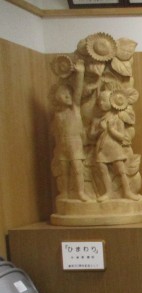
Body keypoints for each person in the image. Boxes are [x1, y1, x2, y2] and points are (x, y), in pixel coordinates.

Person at [50, 59, 90, 202]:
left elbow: (77, 90)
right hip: (62, 145)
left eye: (69, 94)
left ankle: (80, 192)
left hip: (75, 143)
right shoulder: (58, 115)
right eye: (63, 94)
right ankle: (65, 192)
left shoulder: (74, 109)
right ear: (57, 98)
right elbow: (55, 133)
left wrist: (80, 72)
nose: (68, 96)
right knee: (64, 169)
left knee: (77, 168)